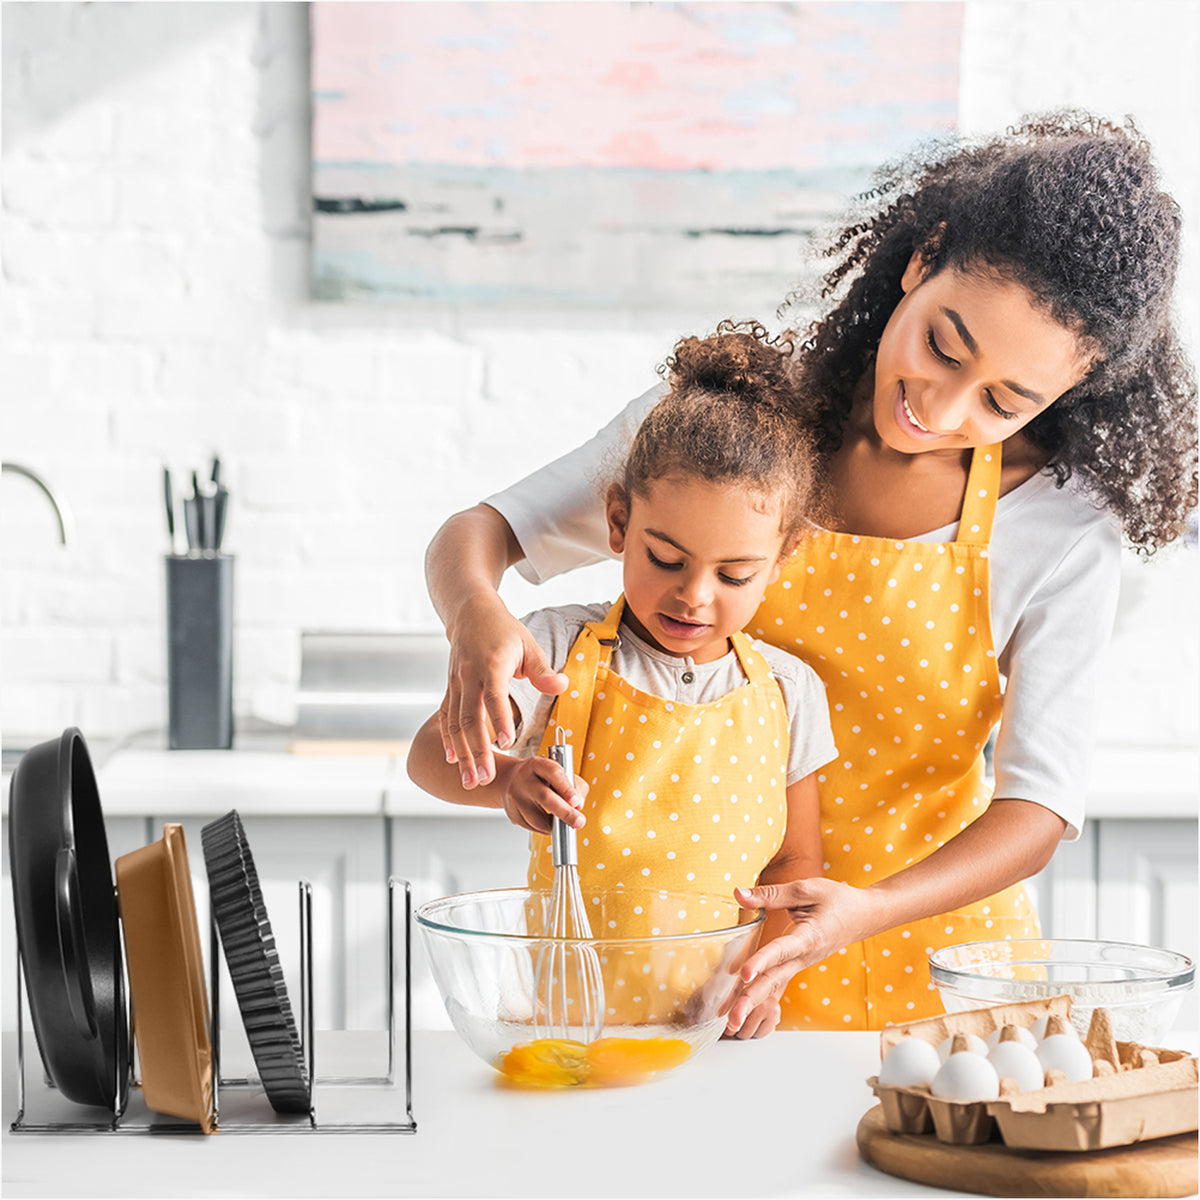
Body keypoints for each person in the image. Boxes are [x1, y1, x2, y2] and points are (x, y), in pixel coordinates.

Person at [421, 111, 1198, 1032]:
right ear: (922, 259)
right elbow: (485, 531)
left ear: (1071, 390)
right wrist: (475, 611)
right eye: (945, 345)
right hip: (701, 970)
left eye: (1004, 399)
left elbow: (1039, 806)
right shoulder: (726, 432)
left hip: (940, 973)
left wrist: (864, 911)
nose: (941, 407)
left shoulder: (1058, 526)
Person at [408, 325, 838, 1036]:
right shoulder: (557, 651)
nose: (694, 595)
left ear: (783, 557)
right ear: (617, 522)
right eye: (665, 558)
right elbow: (429, 756)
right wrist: (507, 779)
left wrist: (764, 978)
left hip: (714, 1034)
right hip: (566, 1027)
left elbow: (795, 861)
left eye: (734, 575)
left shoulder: (791, 691)